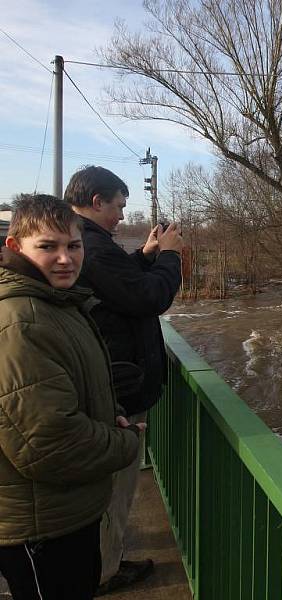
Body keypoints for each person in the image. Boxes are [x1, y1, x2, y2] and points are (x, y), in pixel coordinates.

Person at [0, 194, 141, 599]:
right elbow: (50, 444)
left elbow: (82, 381)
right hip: (40, 523)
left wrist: (110, 412)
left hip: (64, 512)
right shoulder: (21, 322)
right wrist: (127, 442)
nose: (65, 259)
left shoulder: (56, 302)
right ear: (15, 247)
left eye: (73, 246)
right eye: (48, 246)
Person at [64, 166, 182, 595]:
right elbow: (148, 296)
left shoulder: (84, 244)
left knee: (107, 492)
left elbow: (119, 286)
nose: (120, 215)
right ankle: (104, 573)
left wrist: (146, 256)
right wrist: (169, 256)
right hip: (118, 392)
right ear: (97, 201)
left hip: (109, 386)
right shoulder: (91, 247)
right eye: (118, 206)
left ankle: (100, 564)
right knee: (113, 493)